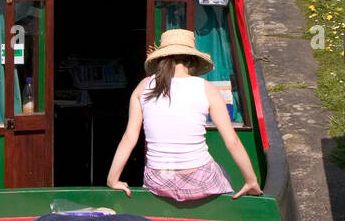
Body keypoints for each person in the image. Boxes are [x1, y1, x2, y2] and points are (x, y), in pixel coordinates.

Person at [106, 28, 263, 203]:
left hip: (158, 181)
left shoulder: (143, 87)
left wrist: (112, 179)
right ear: (193, 61)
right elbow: (232, 141)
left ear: (161, 59)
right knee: (221, 175)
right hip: (199, 179)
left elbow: (129, 138)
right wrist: (251, 181)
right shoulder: (207, 88)